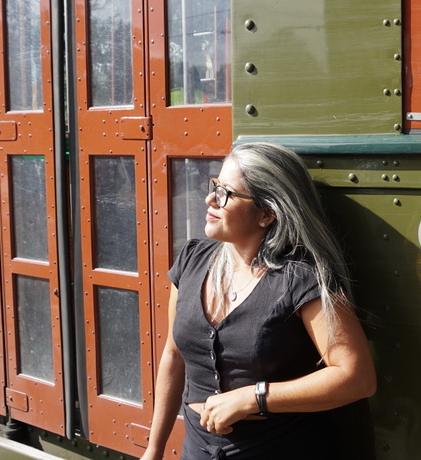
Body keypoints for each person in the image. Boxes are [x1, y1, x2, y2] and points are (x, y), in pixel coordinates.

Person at [141, 142, 377, 460]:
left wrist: (254, 396)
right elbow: (173, 356)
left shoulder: (302, 277)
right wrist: (153, 451)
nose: (210, 199)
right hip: (196, 451)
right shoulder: (192, 258)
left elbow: (356, 377)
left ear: (266, 214)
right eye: (214, 186)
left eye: (226, 193)